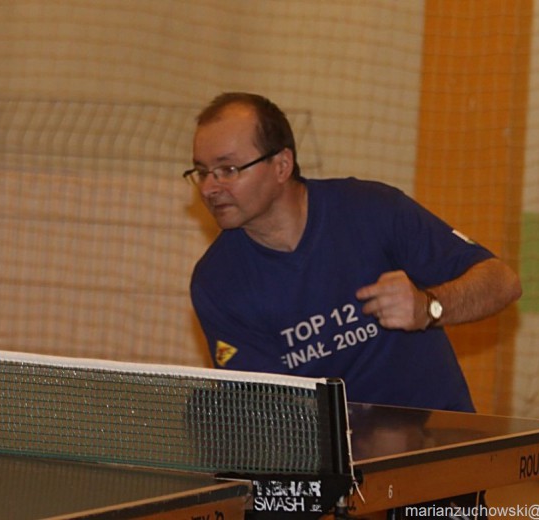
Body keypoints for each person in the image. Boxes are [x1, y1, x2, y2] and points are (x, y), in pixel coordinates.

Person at [183, 92, 521, 518]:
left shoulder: (372, 210)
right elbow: (268, 417)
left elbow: (502, 281)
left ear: (282, 165)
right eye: (202, 172)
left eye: (228, 169)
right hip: (319, 467)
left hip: (433, 452)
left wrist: (429, 307)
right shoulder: (218, 281)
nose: (210, 188)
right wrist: (358, 446)